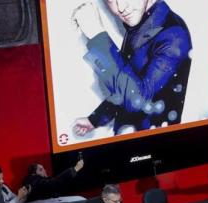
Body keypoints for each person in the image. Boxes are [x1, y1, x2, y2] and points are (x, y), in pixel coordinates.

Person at [71, 0, 192, 136]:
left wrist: (97, 36)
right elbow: (126, 80)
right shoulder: (141, 23)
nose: (121, 8)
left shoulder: (173, 35)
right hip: (130, 143)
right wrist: (94, 119)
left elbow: (137, 101)